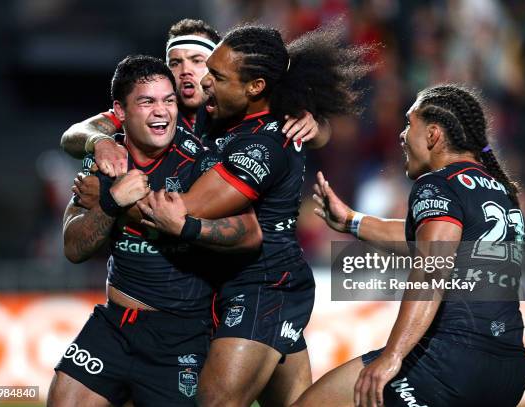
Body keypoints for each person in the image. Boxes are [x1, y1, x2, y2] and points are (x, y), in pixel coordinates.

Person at [136, 23, 373, 407]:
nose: (202, 80)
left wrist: (116, 197)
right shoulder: (219, 118)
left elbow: (185, 208)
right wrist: (99, 142)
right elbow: (102, 124)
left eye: (214, 73)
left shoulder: (262, 144)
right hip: (238, 285)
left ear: (255, 87)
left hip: (262, 286)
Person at [293, 84, 525, 407]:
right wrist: (352, 221)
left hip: (450, 360)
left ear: (433, 135)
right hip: (508, 367)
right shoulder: (502, 192)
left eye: (410, 124)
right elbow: (429, 244)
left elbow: (431, 271)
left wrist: (392, 356)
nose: (402, 135)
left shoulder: (438, 183)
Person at [48, 55, 263, 407]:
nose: (161, 112)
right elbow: (74, 247)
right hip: (114, 326)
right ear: (120, 110)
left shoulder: (200, 161)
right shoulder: (105, 159)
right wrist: (112, 201)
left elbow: (249, 233)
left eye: (168, 100)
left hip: (180, 335)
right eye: (147, 102)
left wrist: (181, 225)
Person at [60, 19, 329, 178]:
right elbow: (73, 135)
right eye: (175, 63)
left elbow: (321, 137)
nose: (185, 70)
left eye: (197, 61)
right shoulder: (153, 112)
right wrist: (100, 141)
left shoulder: (242, 107)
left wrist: (314, 127)